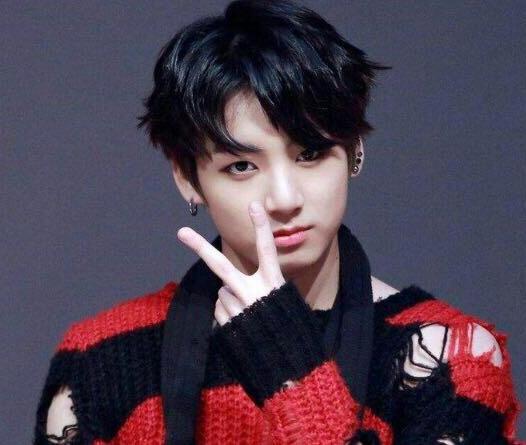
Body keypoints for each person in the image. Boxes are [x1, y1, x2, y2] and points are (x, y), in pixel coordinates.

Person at [34, 0, 523, 444]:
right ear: (187, 177)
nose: (284, 199)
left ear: (354, 151)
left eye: (310, 154)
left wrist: (290, 368)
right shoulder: (101, 360)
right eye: (241, 166)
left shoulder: (449, 357)